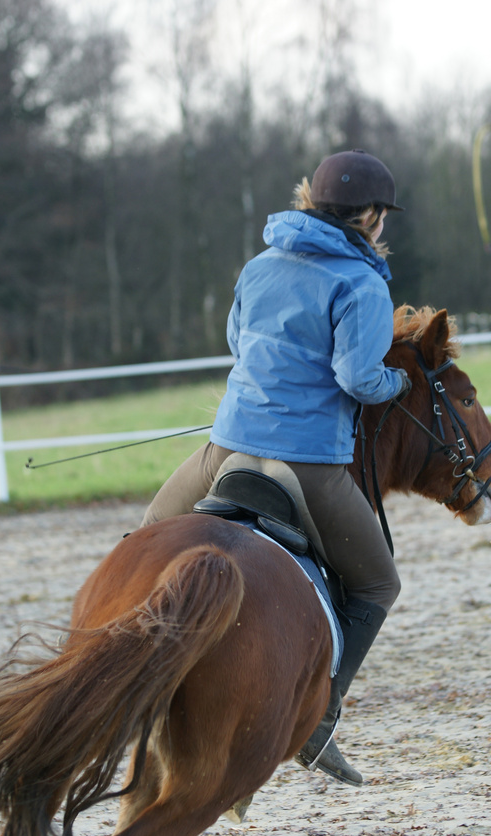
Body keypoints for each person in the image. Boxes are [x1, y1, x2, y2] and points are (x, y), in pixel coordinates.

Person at [141, 148, 411, 787]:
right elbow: (357, 377)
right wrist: (396, 383)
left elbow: (239, 344)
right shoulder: (363, 283)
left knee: (144, 538)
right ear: (371, 216)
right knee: (377, 585)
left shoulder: (260, 265)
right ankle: (317, 722)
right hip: (308, 462)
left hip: (226, 446)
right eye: (382, 216)